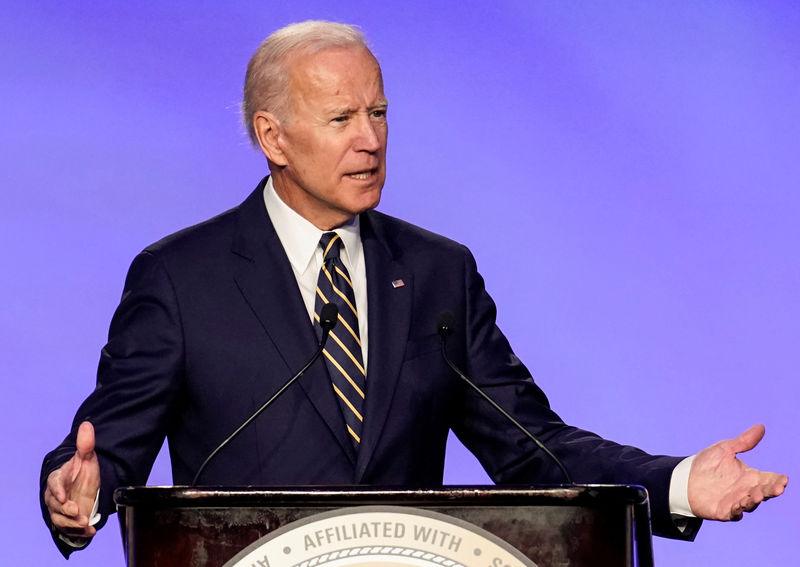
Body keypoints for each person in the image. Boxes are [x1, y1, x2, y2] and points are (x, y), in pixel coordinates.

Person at [41, 20, 787, 558]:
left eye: (379, 112)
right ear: (273, 137)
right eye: (341, 118)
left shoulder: (438, 273)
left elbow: (533, 448)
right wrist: (80, 494)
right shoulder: (181, 278)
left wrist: (680, 482)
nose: (370, 138)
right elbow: (108, 450)